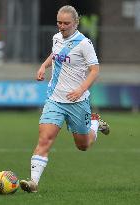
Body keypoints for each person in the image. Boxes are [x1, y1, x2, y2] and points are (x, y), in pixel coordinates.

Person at [20, 5, 110, 193]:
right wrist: (43, 66)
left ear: (75, 23)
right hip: (55, 99)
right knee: (45, 139)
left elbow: (95, 70)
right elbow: (55, 55)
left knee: (83, 146)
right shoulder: (57, 38)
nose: (62, 26)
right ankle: (33, 182)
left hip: (78, 101)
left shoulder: (84, 43)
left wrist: (80, 89)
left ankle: (95, 124)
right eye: (59, 22)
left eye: (66, 23)